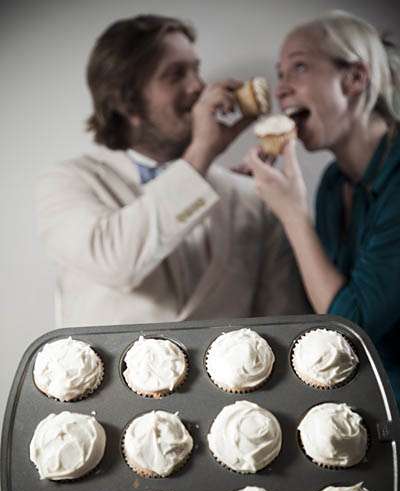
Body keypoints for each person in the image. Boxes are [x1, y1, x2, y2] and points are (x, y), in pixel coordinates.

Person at [36, 14, 309, 327]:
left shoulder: (254, 199)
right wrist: (201, 154)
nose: (198, 86)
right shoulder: (67, 182)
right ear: (127, 102)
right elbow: (114, 263)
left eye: (196, 70)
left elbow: (282, 325)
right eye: (175, 74)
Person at [249, 10, 400, 406]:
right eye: (280, 74)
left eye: (299, 67)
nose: (281, 89)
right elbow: (320, 304)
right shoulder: (334, 183)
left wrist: (292, 213)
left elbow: (351, 329)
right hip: (358, 400)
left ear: (354, 79)